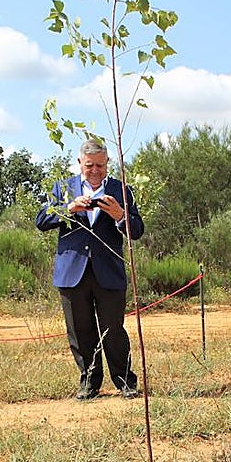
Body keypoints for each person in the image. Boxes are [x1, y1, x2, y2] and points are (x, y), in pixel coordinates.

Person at [36, 139, 144, 400]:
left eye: (100, 165)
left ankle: (125, 382)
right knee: (80, 332)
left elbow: (137, 230)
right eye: (89, 165)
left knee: (113, 330)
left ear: (108, 163)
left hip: (109, 272)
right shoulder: (63, 188)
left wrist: (120, 215)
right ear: (79, 164)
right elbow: (41, 221)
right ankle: (89, 383)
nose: (95, 170)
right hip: (73, 273)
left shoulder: (122, 190)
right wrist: (69, 208)